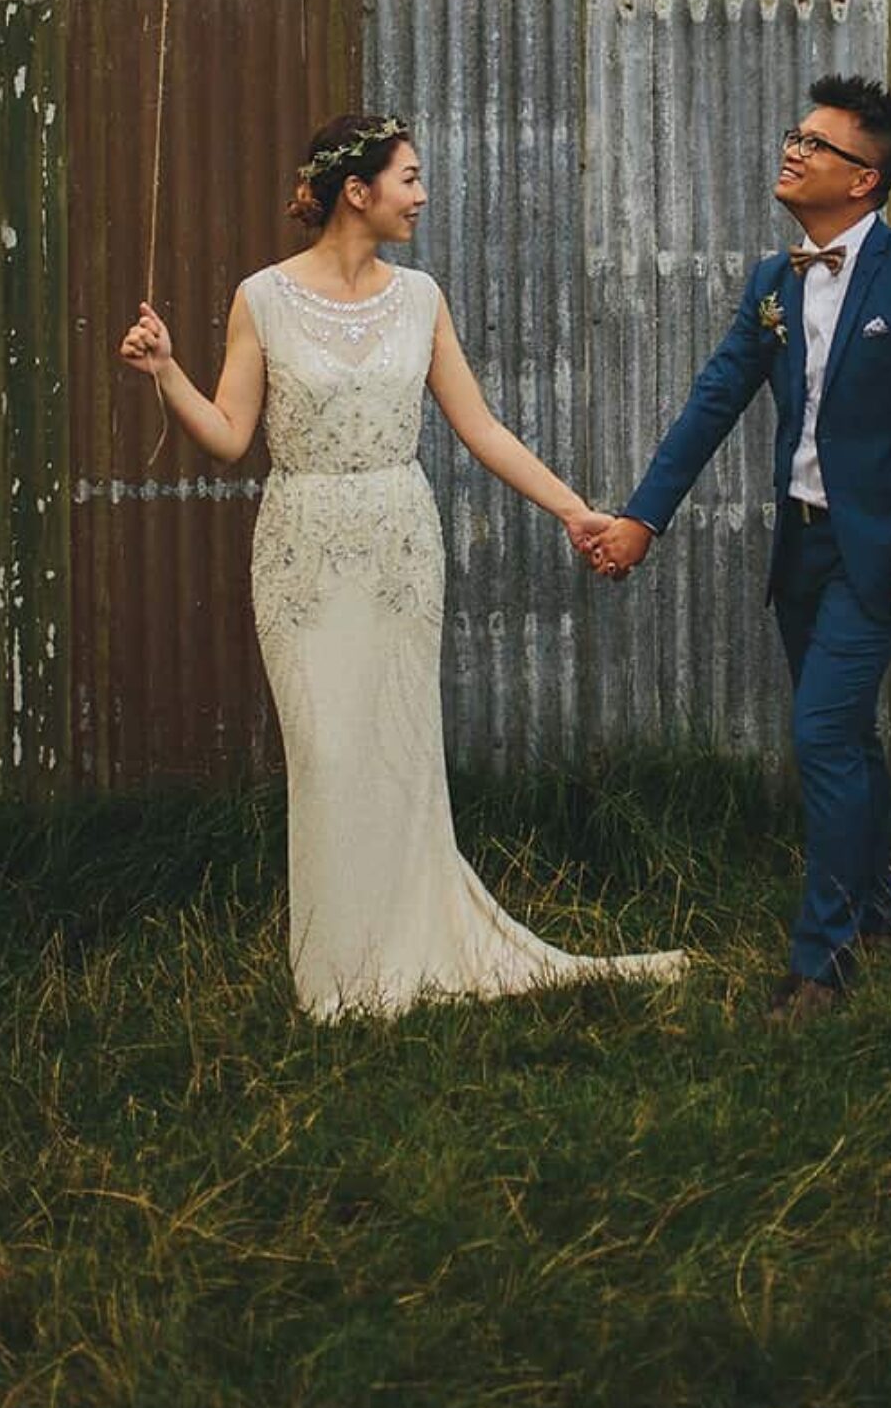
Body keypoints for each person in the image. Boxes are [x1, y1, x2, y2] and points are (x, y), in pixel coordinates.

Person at [119, 113, 685, 1021]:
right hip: (303, 547)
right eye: (410, 179)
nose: (422, 197)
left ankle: (409, 953)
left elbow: (483, 428)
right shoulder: (260, 297)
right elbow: (229, 438)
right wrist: (169, 371)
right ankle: (339, 980)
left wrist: (575, 509)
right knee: (327, 753)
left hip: (397, 546)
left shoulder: (419, 298)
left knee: (397, 753)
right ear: (359, 190)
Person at [590, 75, 891, 1022]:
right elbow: (713, 402)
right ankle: (878, 914)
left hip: (879, 558)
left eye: (817, 143)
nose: (793, 151)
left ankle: (825, 965)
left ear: (865, 180)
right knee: (847, 738)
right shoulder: (775, 282)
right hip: (801, 552)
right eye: (795, 136)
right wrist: (643, 517)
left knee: (819, 740)